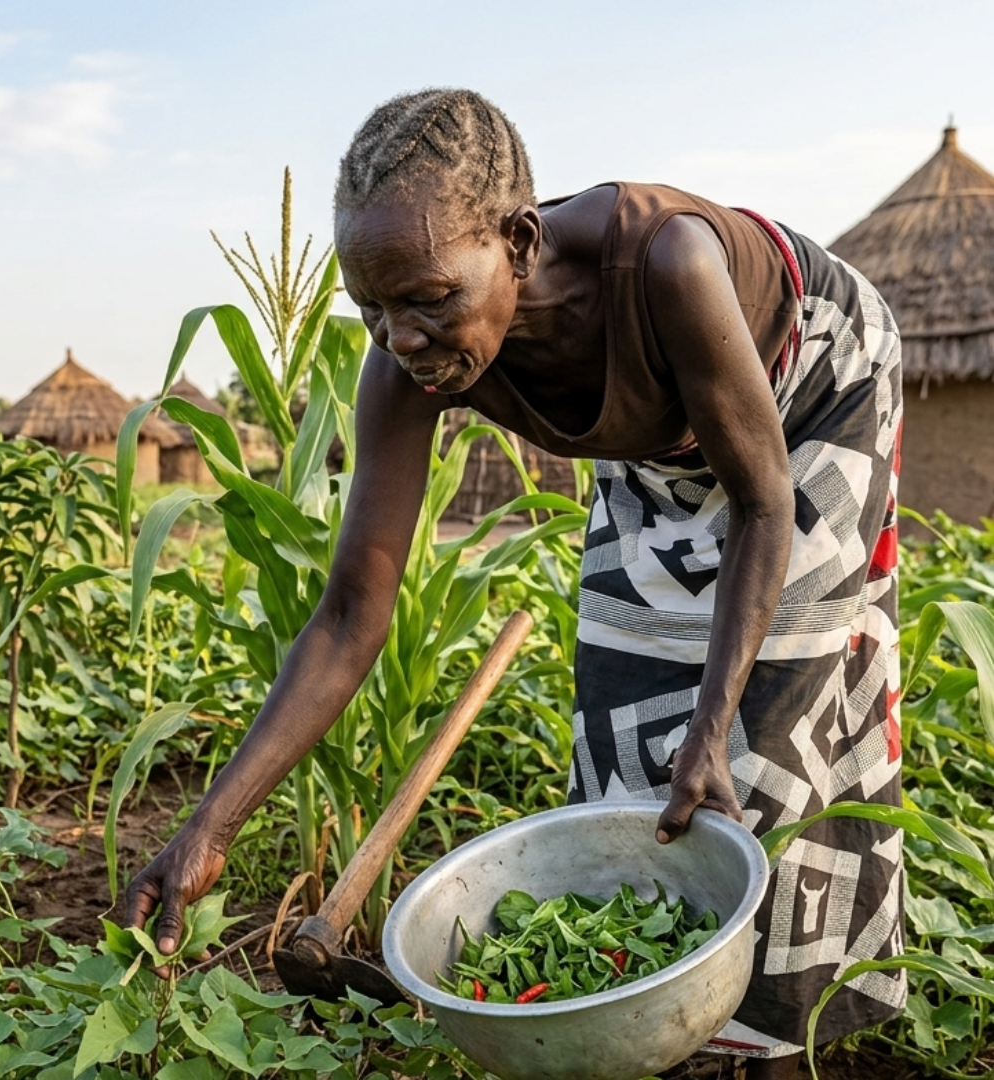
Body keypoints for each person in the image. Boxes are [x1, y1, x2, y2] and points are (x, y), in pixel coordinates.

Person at [123, 89, 904, 1078]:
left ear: (523, 242)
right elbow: (352, 611)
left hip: (810, 392)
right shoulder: (408, 361)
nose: (403, 337)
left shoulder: (668, 261)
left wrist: (712, 729)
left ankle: (769, 1049)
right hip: (662, 435)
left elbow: (763, 507)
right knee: (623, 735)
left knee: (757, 743)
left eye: (430, 299)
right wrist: (209, 829)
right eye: (373, 310)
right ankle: (641, 1023)